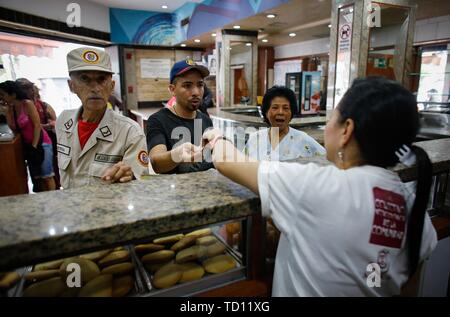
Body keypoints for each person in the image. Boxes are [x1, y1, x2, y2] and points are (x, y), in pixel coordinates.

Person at [203, 76, 437, 296]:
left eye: (332, 117)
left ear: (346, 130)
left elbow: (226, 160)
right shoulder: (416, 213)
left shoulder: (313, 187)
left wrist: (216, 136)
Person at [56, 47, 152, 189]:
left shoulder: (129, 131)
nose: (95, 88)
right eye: (85, 79)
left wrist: (130, 175)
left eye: (101, 80)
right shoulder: (63, 121)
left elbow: (142, 179)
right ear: (72, 86)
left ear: (112, 86)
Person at [146, 58, 214, 174]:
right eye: (187, 86)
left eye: (200, 85)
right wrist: (177, 154)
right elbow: (156, 162)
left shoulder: (206, 121)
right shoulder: (157, 120)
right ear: (172, 90)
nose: (196, 92)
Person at [0, 81, 56, 192]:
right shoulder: (11, 109)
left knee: (47, 175)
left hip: (41, 143)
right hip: (29, 146)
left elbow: (37, 125)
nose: (1, 97)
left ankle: (53, 199)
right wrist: (7, 114)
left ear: (13, 95)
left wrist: (34, 145)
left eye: (3, 94)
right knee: (38, 177)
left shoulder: (27, 104)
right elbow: (14, 129)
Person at [245, 86, 325, 161]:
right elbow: (242, 166)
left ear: (292, 113)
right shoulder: (255, 139)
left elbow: (326, 162)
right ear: (266, 112)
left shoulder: (303, 140)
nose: (280, 112)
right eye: (275, 107)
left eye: (286, 108)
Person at [16, 78, 61, 189]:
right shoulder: (18, 107)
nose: (30, 92)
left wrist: (44, 126)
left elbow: (56, 123)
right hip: (30, 144)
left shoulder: (44, 106)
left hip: (46, 142)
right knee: (37, 177)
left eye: (30, 89)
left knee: (49, 174)